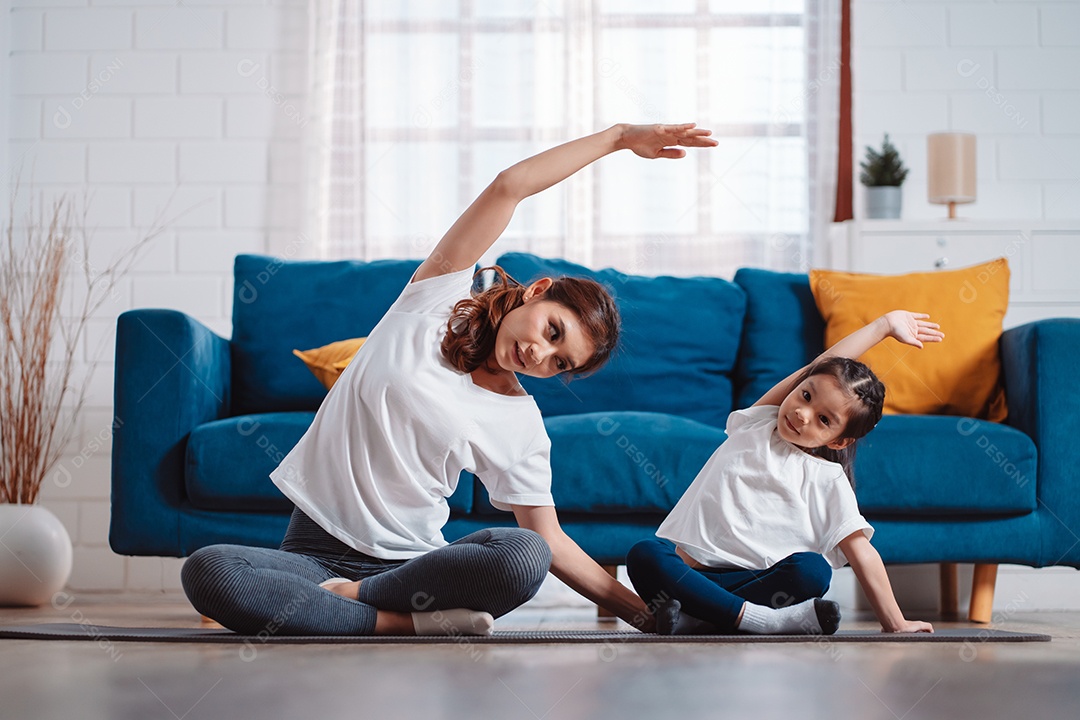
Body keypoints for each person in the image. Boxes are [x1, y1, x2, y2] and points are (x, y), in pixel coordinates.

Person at [182, 123, 719, 636]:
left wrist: (644, 614)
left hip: (413, 573)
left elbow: (547, 540)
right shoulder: (432, 301)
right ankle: (399, 626)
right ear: (537, 291)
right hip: (311, 556)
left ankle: (358, 609)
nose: (539, 354)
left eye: (559, 362)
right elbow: (510, 187)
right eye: (552, 330)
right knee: (211, 571)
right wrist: (619, 138)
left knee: (522, 556)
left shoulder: (520, 421)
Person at [626, 311, 944, 635]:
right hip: (691, 576)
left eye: (824, 420)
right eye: (805, 395)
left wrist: (895, 622)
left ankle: (703, 616)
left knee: (813, 571)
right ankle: (756, 621)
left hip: (760, 585)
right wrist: (883, 326)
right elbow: (821, 365)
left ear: (839, 441)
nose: (802, 414)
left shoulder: (828, 479)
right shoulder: (758, 423)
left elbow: (861, 551)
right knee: (645, 554)